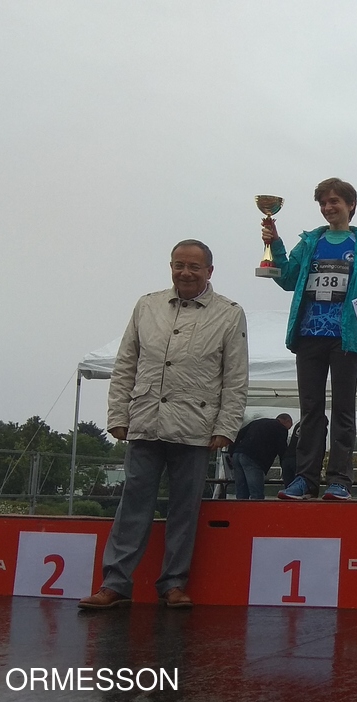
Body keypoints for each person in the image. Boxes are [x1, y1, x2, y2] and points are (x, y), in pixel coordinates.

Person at [79, 239, 249, 610]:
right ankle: (115, 583)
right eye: (178, 265)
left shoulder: (230, 313)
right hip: (145, 423)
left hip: (196, 428)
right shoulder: (146, 305)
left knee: (185, 510)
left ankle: (173, 583)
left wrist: (226, 426)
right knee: (132, 505)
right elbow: (125, 364)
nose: (185, 273)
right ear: (170, 266)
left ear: (209, 271)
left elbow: (236, 376)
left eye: (194, 267)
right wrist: (118, 414)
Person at [262, 178, 357, 501]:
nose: (328, 207)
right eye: (323, 203)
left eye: (334, 201)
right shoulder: (310, 241)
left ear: (351, 205)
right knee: (310, 410)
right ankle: (305, 479)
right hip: (309, 334)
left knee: (343, 410)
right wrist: (275, 244)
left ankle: (340, 480)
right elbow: (288, 278)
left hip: (347, 336)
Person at [229, 414, 293, 500]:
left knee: (241, 492)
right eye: (289, 427)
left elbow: (238, 434)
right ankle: (256, 508)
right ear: (287, 421)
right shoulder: (281, 428)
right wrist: (286, 468)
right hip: (254, 458)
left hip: (237, 455)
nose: (288, 429)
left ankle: (240, 507)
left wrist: (231, 452)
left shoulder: (258, 421)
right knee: (256, 494)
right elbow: (282, 450)